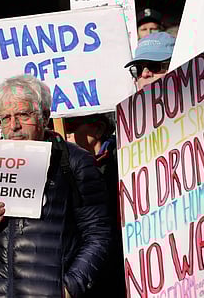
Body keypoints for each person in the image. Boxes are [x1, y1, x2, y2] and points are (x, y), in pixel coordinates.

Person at [0, 74, 112, 297]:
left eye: (23, 114)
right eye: (6, 117)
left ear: (45, 116)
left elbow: (98, 235)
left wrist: (70, 287)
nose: (15, 126)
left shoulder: (74, 162)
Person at [64, 113, 125, 297]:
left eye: (72, 126)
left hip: (117, 270)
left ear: (98, 129)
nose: (65, 134)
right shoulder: (60, 164)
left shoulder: (122, 160)